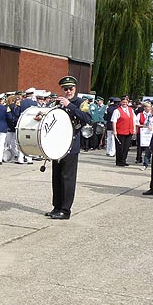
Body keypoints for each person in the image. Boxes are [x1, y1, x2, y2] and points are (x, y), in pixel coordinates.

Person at [44, 76, 91, 220]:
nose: (68, 91)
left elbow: (87, 118)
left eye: (71, 88)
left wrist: (70, 105)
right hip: (57, 145)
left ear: (75, 89)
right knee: (56, 177)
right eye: (66, 89)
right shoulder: (57, 103)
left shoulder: (81, 102)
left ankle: (65, 210)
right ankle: (56, 206)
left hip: (71, 145)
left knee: (67, 178)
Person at [14, 87, 36, 164]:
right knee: (30, 141)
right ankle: (29, 159)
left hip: (22, 123)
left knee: (21, 141)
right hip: (31, 124)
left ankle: (20, 159)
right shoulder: (34, 103)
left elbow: (16, 113)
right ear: (32, 94)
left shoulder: (21, 102)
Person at [111, 95, 135, 166]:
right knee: (120, 147)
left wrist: (134, 129)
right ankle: (119, 161)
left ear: (128, 102)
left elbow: (134, 120)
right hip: (120, 131)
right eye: (123, 102)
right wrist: (115, 131)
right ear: (121, 102)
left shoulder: (131, 110)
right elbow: (114, 121)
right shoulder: (117, 110)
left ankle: (124, 160)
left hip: (129, 131)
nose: (124, 103)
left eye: (126, 102)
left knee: (126, 147)